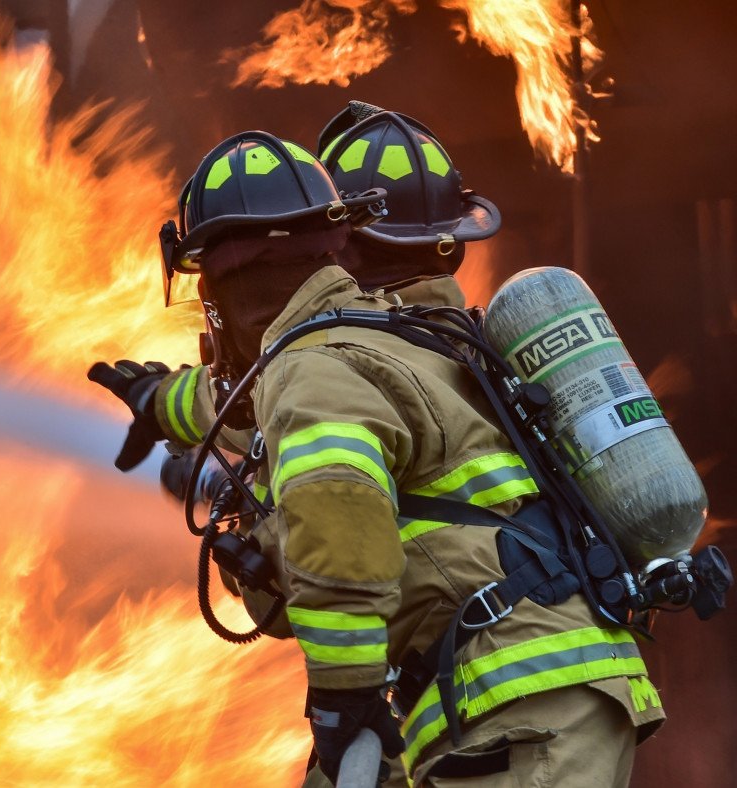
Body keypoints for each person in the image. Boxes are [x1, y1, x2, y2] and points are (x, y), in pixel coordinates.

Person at [90, 104, 664, 787]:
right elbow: (243, 403)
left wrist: (344, 699)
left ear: (222, 284)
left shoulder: (316, 368)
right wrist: (162, 404)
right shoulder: (392, 341)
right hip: (527, 689)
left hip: (517, 699)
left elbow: (337, 524)